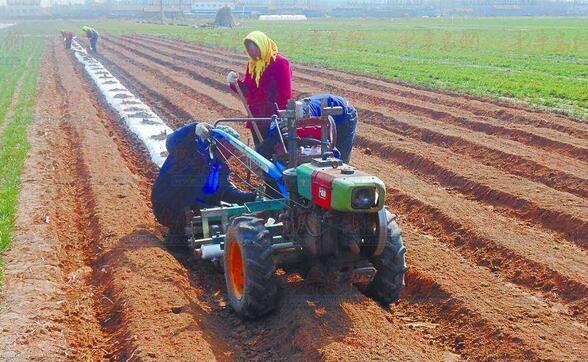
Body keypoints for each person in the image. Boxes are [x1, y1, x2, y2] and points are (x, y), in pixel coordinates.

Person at [151, 122, 257, 244]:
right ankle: (176, 237)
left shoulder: (220, 167)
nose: (231, 152)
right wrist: (193, 128)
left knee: (227, 212)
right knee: (219, 215)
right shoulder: (191, 152)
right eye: (229, 147)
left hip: (195, 204)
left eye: (233, 148)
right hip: (170, 204)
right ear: (217, 142)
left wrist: (253, 197)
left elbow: (226, 191)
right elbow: (172, 142)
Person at [227, 31, 292, 145]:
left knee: (275, 153)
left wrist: (281, 117)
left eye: (254, 49)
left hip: (273, 118)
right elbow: (248, 90)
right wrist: (234, 83)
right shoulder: (253, 65)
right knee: (260, 152)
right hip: (256, 117)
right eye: (249, 51)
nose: (252, 54)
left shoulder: (280, 63)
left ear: (262, 46)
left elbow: (285, 94)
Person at [258, 94, 358, 163]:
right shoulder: (273, 130)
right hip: (320, 111)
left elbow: (325, 145)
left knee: (338, 160)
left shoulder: (306, 124)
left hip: (344, 113)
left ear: (277, 146)